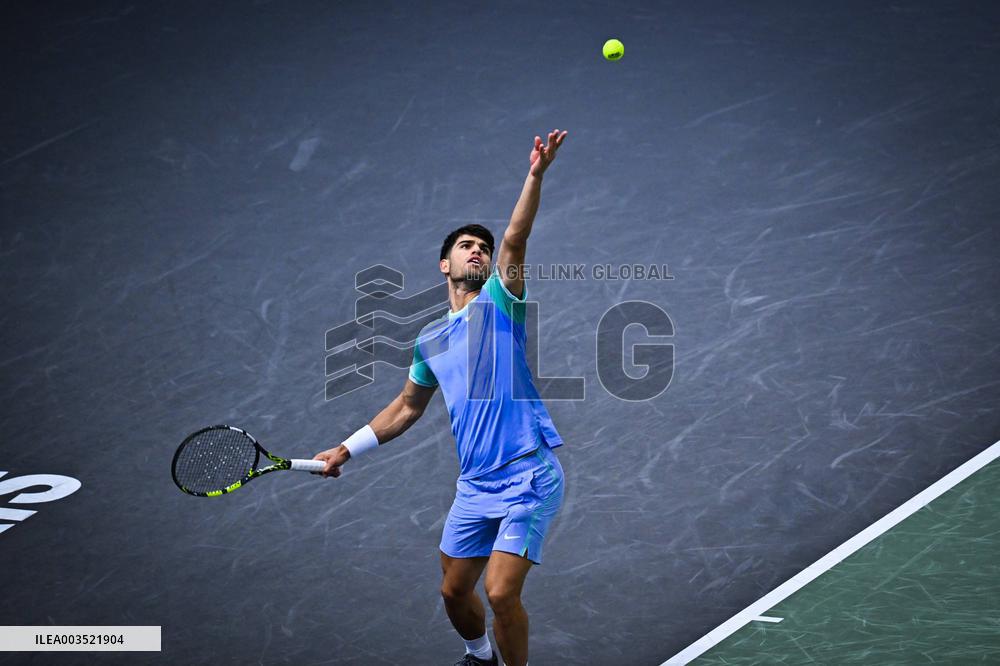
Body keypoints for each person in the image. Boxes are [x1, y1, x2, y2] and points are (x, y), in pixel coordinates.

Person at [314, 129, 569, 666]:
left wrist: (535, 175)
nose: (478, 250)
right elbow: (407, 406)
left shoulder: (500, 302)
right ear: (445, 265)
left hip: (528, 474)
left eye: (483, 248)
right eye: (466, 246)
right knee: (454, 592)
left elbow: (516, 237)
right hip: (475, 485)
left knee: (500, 592)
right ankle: (479, 656)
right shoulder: (429, 338)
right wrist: (345, 449)